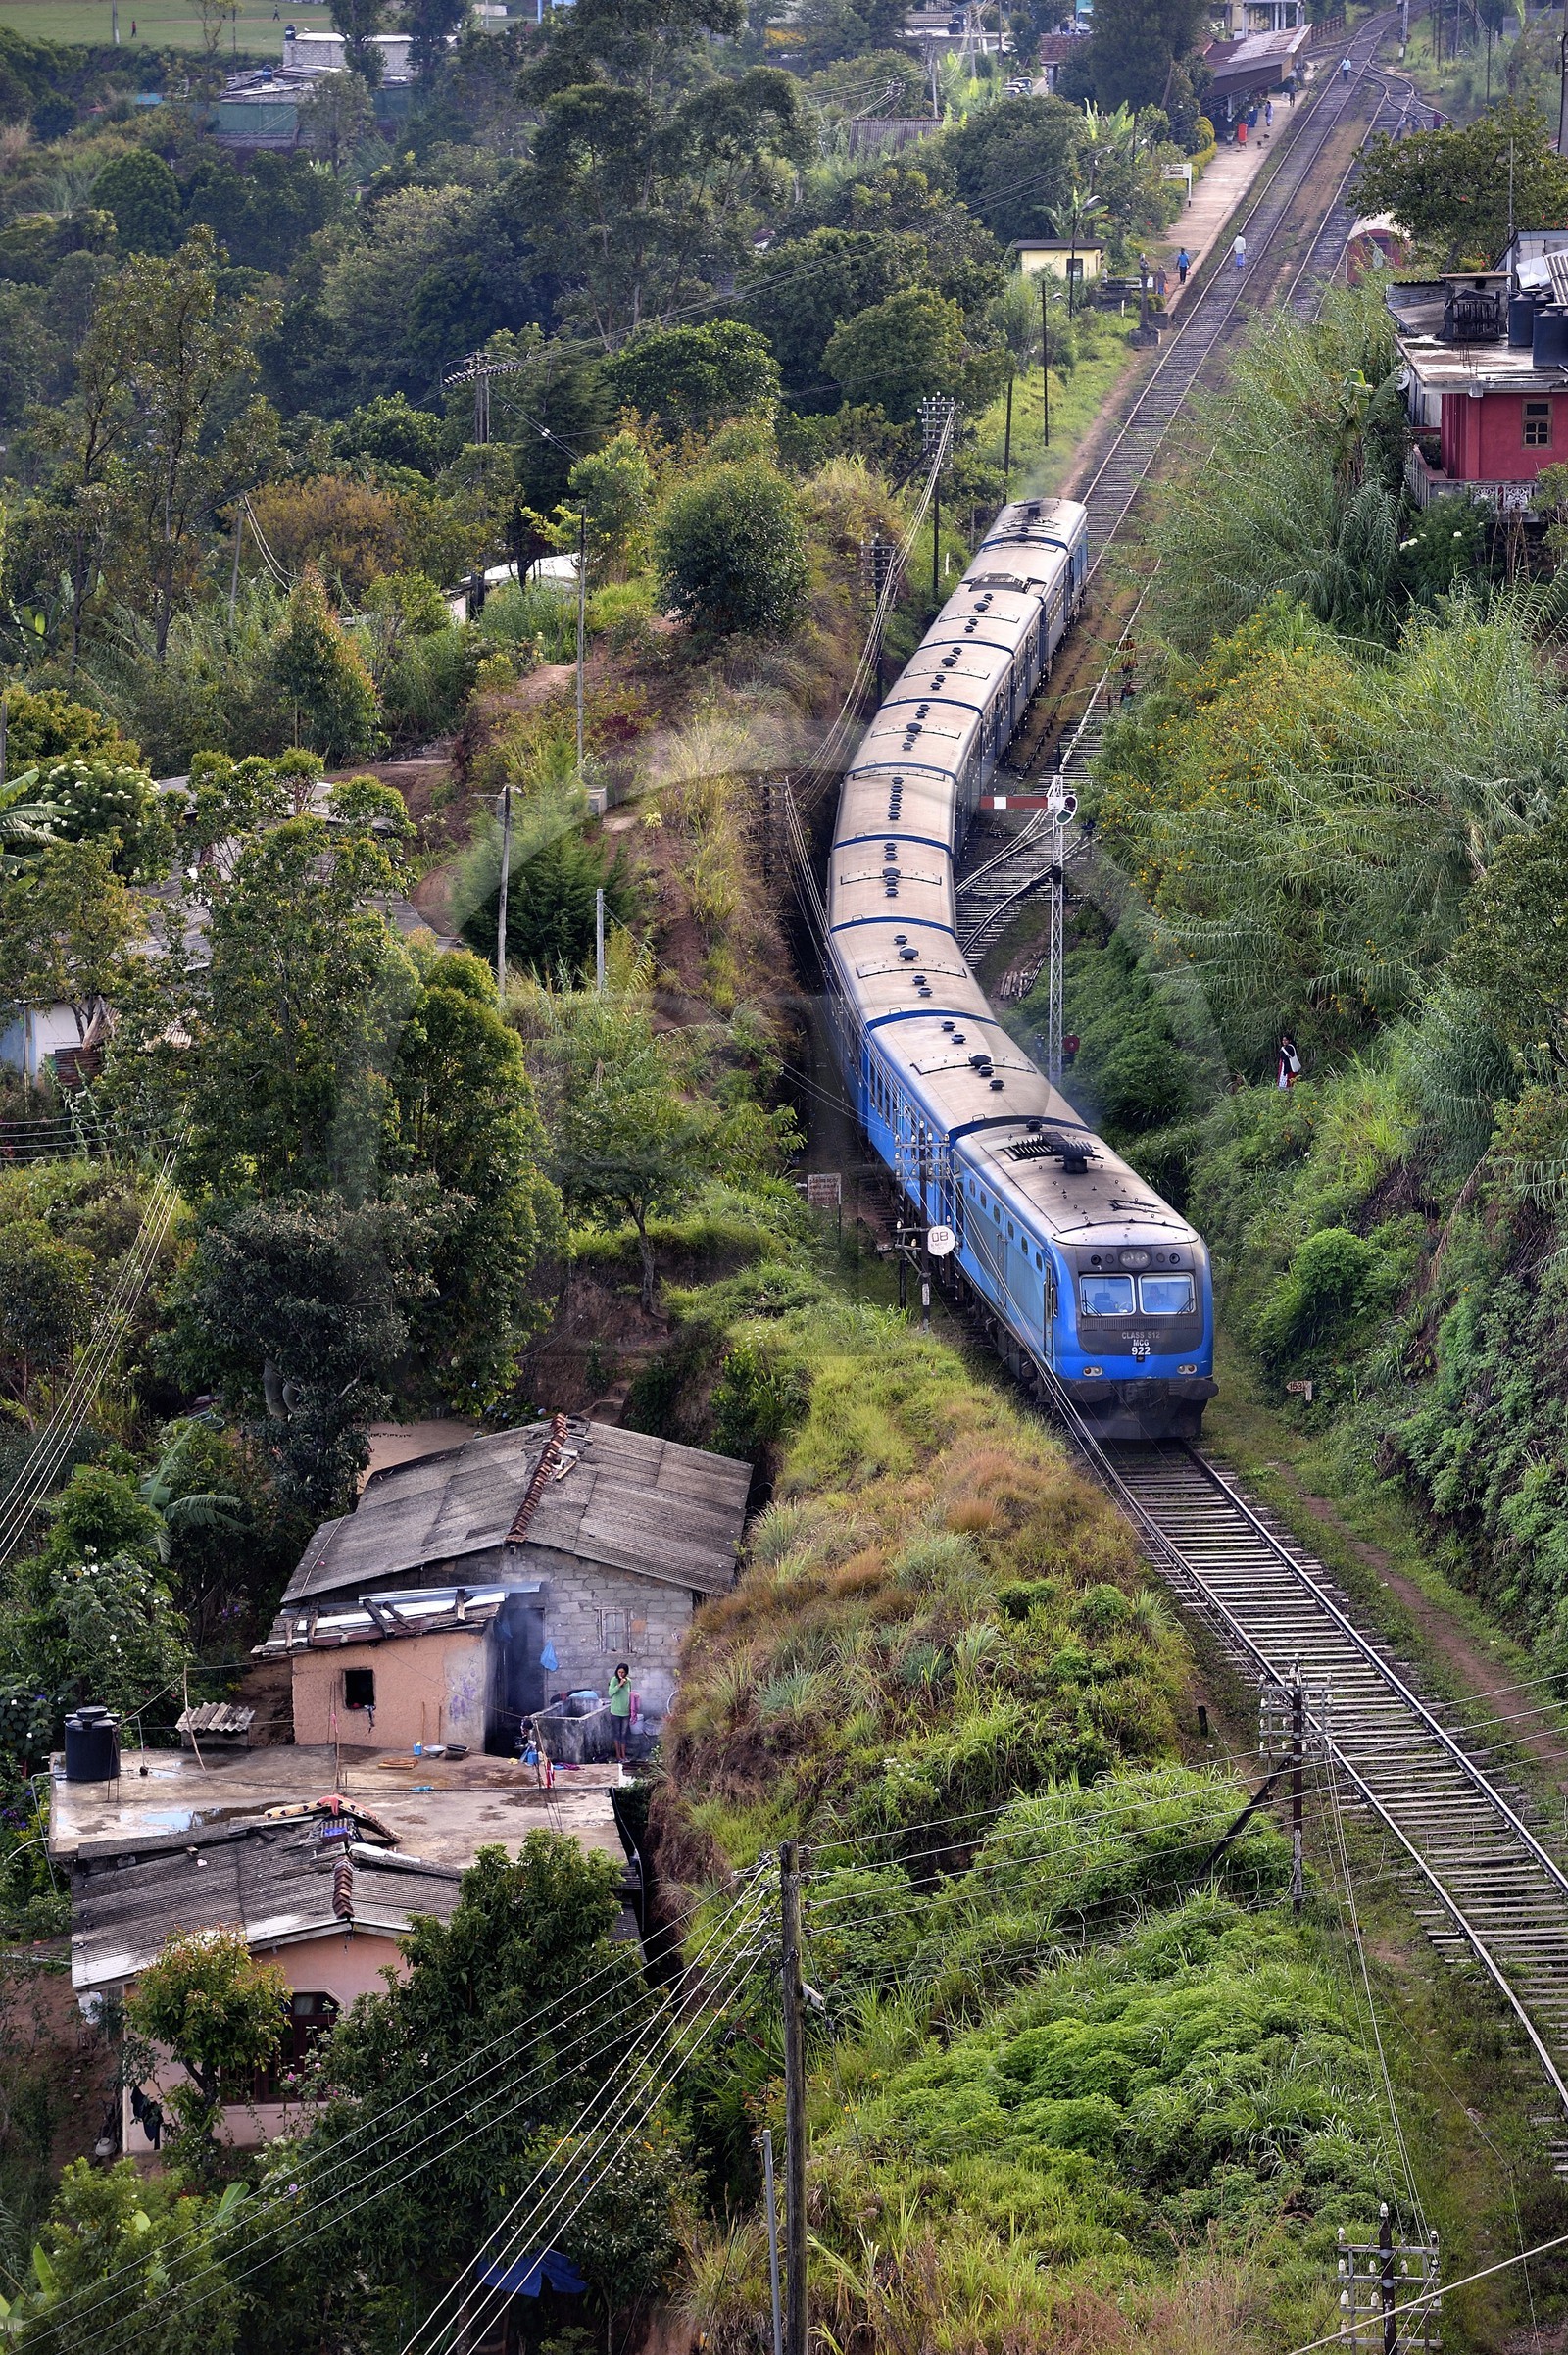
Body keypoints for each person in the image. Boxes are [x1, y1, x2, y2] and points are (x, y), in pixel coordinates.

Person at [608, 1661, 632, 1762]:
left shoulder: (629, 1681)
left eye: (623, 1672)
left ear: (626, 1673)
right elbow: (610, 1693)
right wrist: (619, 1685)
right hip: (616, 1712)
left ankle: (624, 1756)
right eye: (619, 1672)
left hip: (626, 1712)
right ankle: (618, 1756)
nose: (621, 1674)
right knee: (617, 1734)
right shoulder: (614, 1680)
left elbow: (629, 1694)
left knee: (624, 1734)